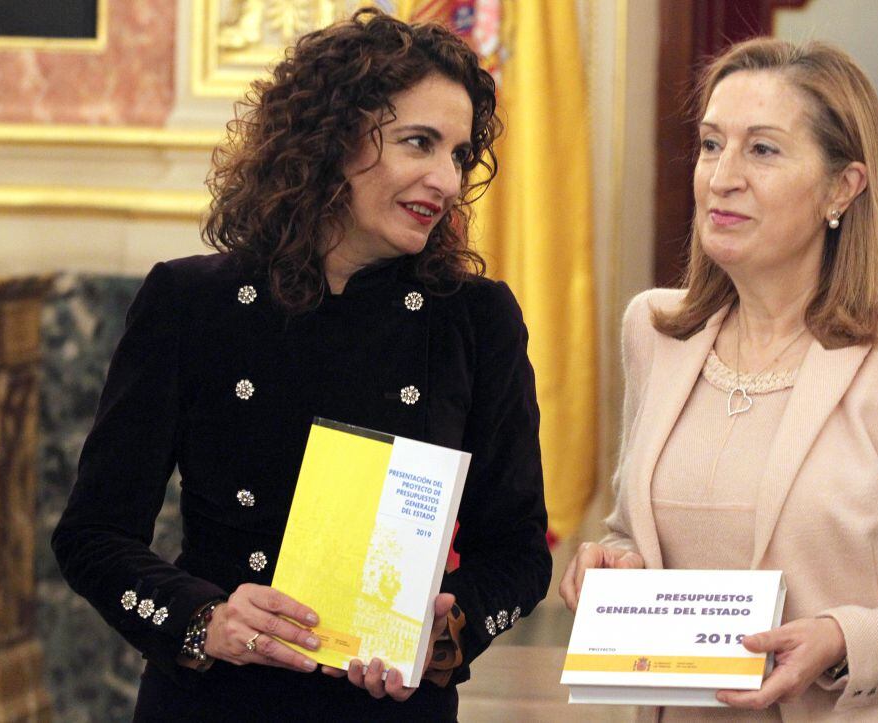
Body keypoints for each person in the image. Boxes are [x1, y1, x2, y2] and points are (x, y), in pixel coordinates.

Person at [53, 9, 551, 721]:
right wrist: (204, 619)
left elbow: (520, 556)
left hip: (387, 709)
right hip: (214, 702)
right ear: (332, 136)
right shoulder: (192, 301)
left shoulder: (477, 320)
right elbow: (92, 536)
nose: (445, 179)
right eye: (420, 143)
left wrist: (447, 633)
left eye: (461, 155)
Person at [560, 37, 878, 722]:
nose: (722, 176)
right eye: (711, 143)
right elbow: (637, 531)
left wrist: (846, 638)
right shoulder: (656, 331)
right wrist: (612, 562)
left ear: (842, 187)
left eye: (763, 149)